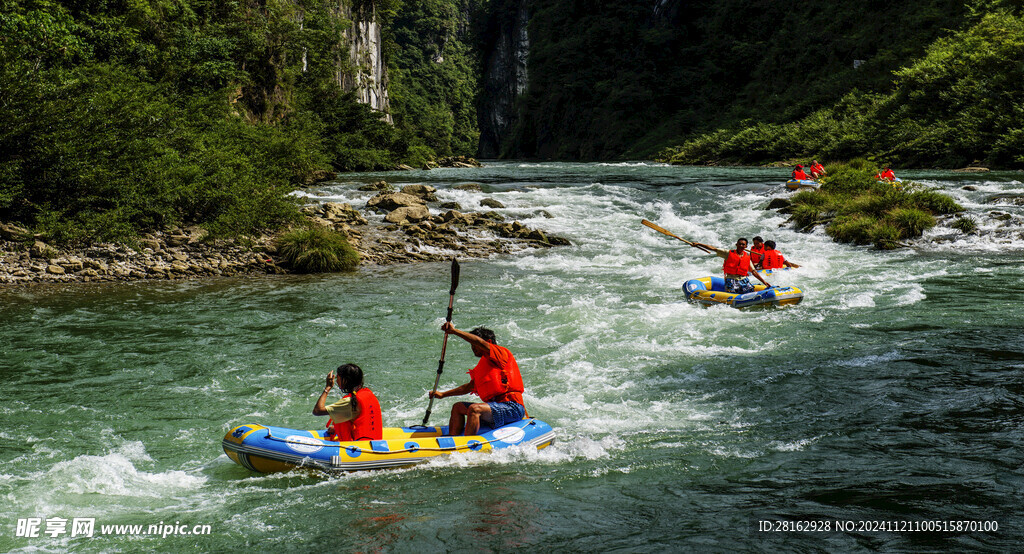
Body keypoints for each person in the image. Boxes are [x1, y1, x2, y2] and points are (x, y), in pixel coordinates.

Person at [427, 322, 525, 436]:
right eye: (472, 346)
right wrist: (443, 394)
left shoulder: (501, 353)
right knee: (458, 407)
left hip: (512, 407)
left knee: (475, 409)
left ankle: (467, 444)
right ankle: (451, 438)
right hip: (494, 408)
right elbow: (469, 387)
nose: (473, 349)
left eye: (474, 345)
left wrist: (454, 331)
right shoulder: (483, 365)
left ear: (488, 343)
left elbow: (479, 342)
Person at [313, 363, 382, 441]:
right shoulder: (368, 394)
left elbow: (317, 410)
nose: (336, 381)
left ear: (345, 380)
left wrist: (327, 388)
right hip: (374, 442)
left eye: (338, 377)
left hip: (359, 447)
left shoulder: (350, 401)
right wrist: (336, 429)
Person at [692, 238, 772, 294]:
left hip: (744, 280)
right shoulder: (728, 253)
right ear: (736, 244)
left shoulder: (747, 256)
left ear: (746, 246)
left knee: (750, 292)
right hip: (731, 279)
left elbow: (754, 272)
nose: (741, 246)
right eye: (739, 244)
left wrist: (764, 282)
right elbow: (713, 248)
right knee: (733, 294)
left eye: (743, 244)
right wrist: (699, 244)